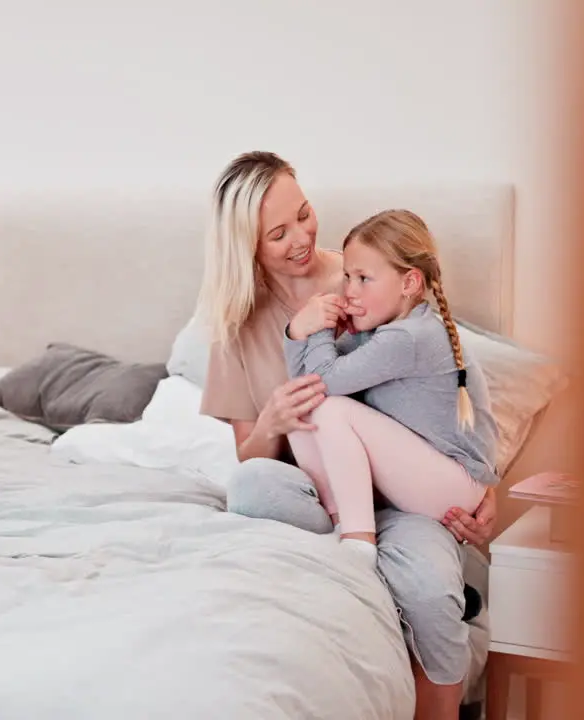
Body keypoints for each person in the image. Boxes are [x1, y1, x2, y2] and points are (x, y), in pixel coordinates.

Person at [195, 151, 497, 720]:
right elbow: (248, 453)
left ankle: (400, 579)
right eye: (277, 234)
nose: (302, 237)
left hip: (405, 500)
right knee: (252, 486)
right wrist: (271, 422)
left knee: (433, 593)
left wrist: (488, 483)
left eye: (304, 214)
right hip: (320, 492)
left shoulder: (366, 275)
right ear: (246, 247)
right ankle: (355, 539)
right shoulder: (235, 327)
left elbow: (456, 377)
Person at [282, 209, 499, 567]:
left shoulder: (409, 337)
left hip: (452, 486)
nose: (349, 290)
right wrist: (298, 334)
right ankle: (340, 523)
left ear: (409, 283)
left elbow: (325, 381)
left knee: (328, 407)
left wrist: (318, 328)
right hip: (429, 478)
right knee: (300, 408)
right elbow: (305, 387)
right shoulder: (382, 330)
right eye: (347, 277)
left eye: (364, 278)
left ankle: (358, 541)